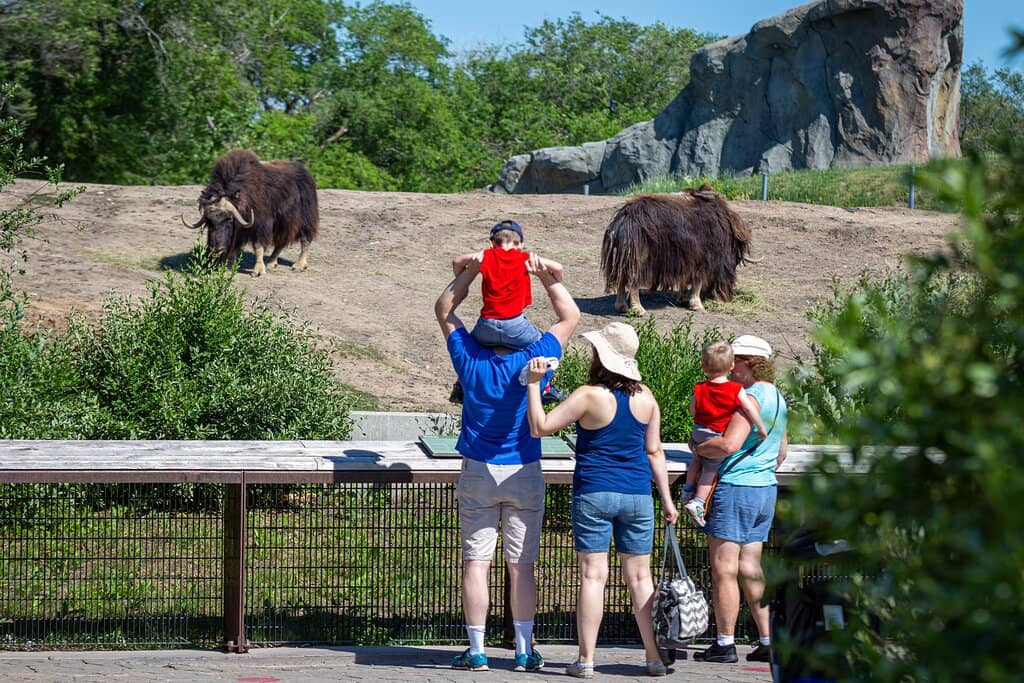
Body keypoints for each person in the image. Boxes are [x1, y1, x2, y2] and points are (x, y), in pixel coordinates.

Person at [435, 250, 580, 673]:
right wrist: (547, 277)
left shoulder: (469, 359)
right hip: (523, 468)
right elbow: (569, 317)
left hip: (479, 468)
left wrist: (474, 270)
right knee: (521, 566)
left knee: (476, 564)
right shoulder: (535, 358)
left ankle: (476, 650)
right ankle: (522, 649)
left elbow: (445, 308)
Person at [523, 322, 679, 678]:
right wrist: (667, 501)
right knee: (641, 579)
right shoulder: (647, 398)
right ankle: (654, 658)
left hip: (594, 491)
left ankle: (586, 660)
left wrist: (534, 386)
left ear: (601, 357)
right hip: (638, 494)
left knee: (594, 577)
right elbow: (654, 452)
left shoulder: (588, 395)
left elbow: (540, 426)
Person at [691, 335, 788, 665]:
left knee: (724, 569)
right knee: (751, 567)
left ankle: (725, 642)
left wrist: (698, 449)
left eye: (735, 360)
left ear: (745, 363)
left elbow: (728, 444)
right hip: (765, 488)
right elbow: (782, 451)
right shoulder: (777, 396)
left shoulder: (749, 397)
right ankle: (766, 640)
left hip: (736, 487)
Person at [449, 219, 566, 405]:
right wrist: (556, 282)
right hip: (516, 325)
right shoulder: (523, 257)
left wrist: (463, 278)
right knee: (542, 343)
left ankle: (460, 385)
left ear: (491, 243)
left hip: (486, 325)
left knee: (468, 347)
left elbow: (456, 261)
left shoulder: (486, 255)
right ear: (521, 244)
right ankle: (545, 387)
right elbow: (558, 267)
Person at [682, 340, 768, 527]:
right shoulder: (735, 389)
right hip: (716, 434)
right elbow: (749, 409)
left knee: (697, 458)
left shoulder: (700, 388)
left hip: (698, 432)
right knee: (710, 470)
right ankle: (697, 501)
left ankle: (687, 490)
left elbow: (692, 409)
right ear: (731, 366)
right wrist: (761, 428)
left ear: (703, 367)